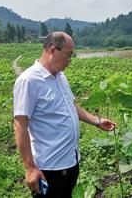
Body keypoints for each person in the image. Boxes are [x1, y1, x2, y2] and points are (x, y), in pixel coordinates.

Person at [13, 32, 116, 197]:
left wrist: (97, 121)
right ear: (53, 50)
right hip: (49, 167)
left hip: (70, 160)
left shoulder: (61, 77)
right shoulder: (29, 80)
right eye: (68, 55)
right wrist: (30, 168)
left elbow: (71, 106)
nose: (70, 60)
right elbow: (20, 125)